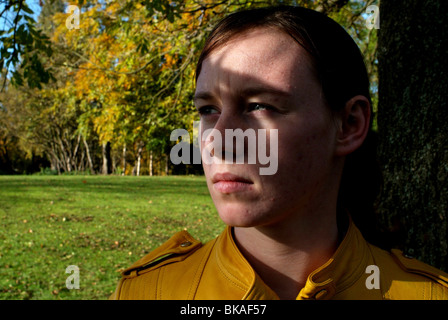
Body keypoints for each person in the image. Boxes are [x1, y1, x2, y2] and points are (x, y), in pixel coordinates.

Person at [110, 6, 448, 300]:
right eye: (208, 110)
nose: (220, 140)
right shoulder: (149, 292)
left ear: (348, 124)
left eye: (258, 105)